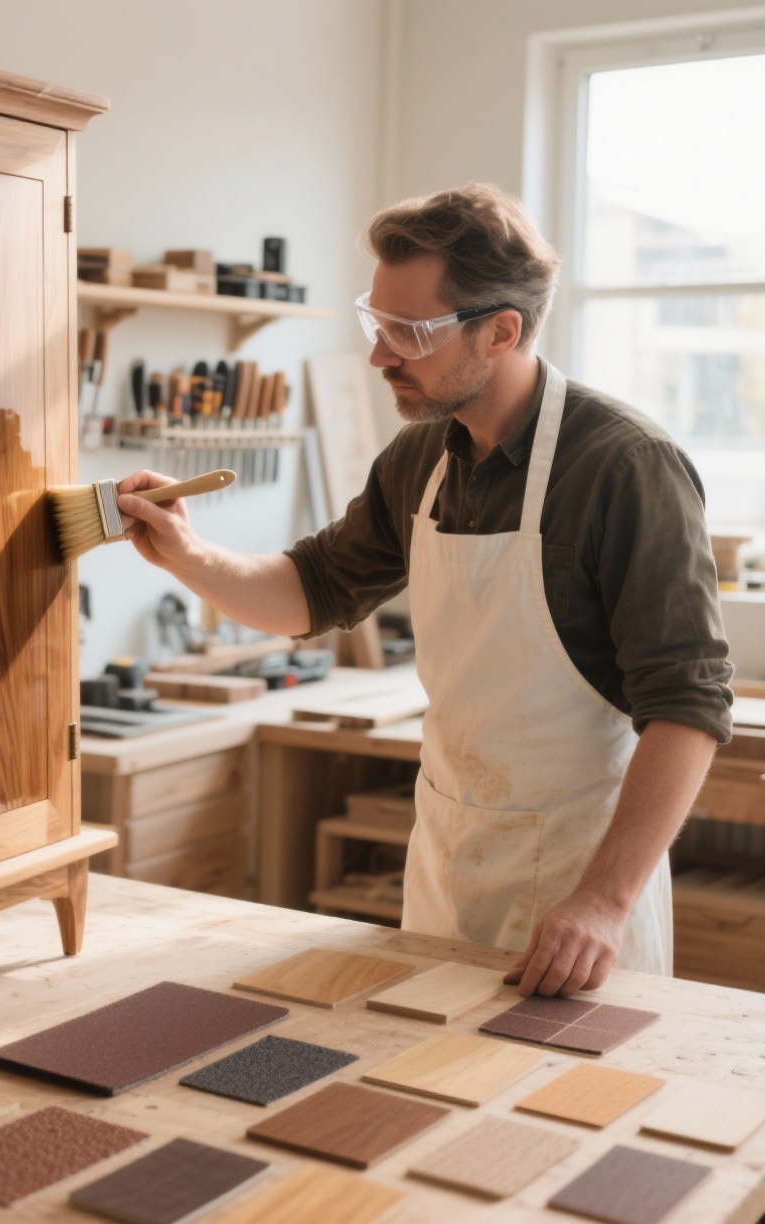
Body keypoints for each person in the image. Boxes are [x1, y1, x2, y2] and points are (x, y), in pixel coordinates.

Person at [116, 184, 733, 997]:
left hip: (578, 895)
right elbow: (313, 589)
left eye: (408, 332)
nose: (380, 356)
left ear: (501, 331)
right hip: (446, 860)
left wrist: (603, 902)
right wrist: (189, 554)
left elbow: (688, 707)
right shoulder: (419, 458)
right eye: (377, 324)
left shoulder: (624, 468)